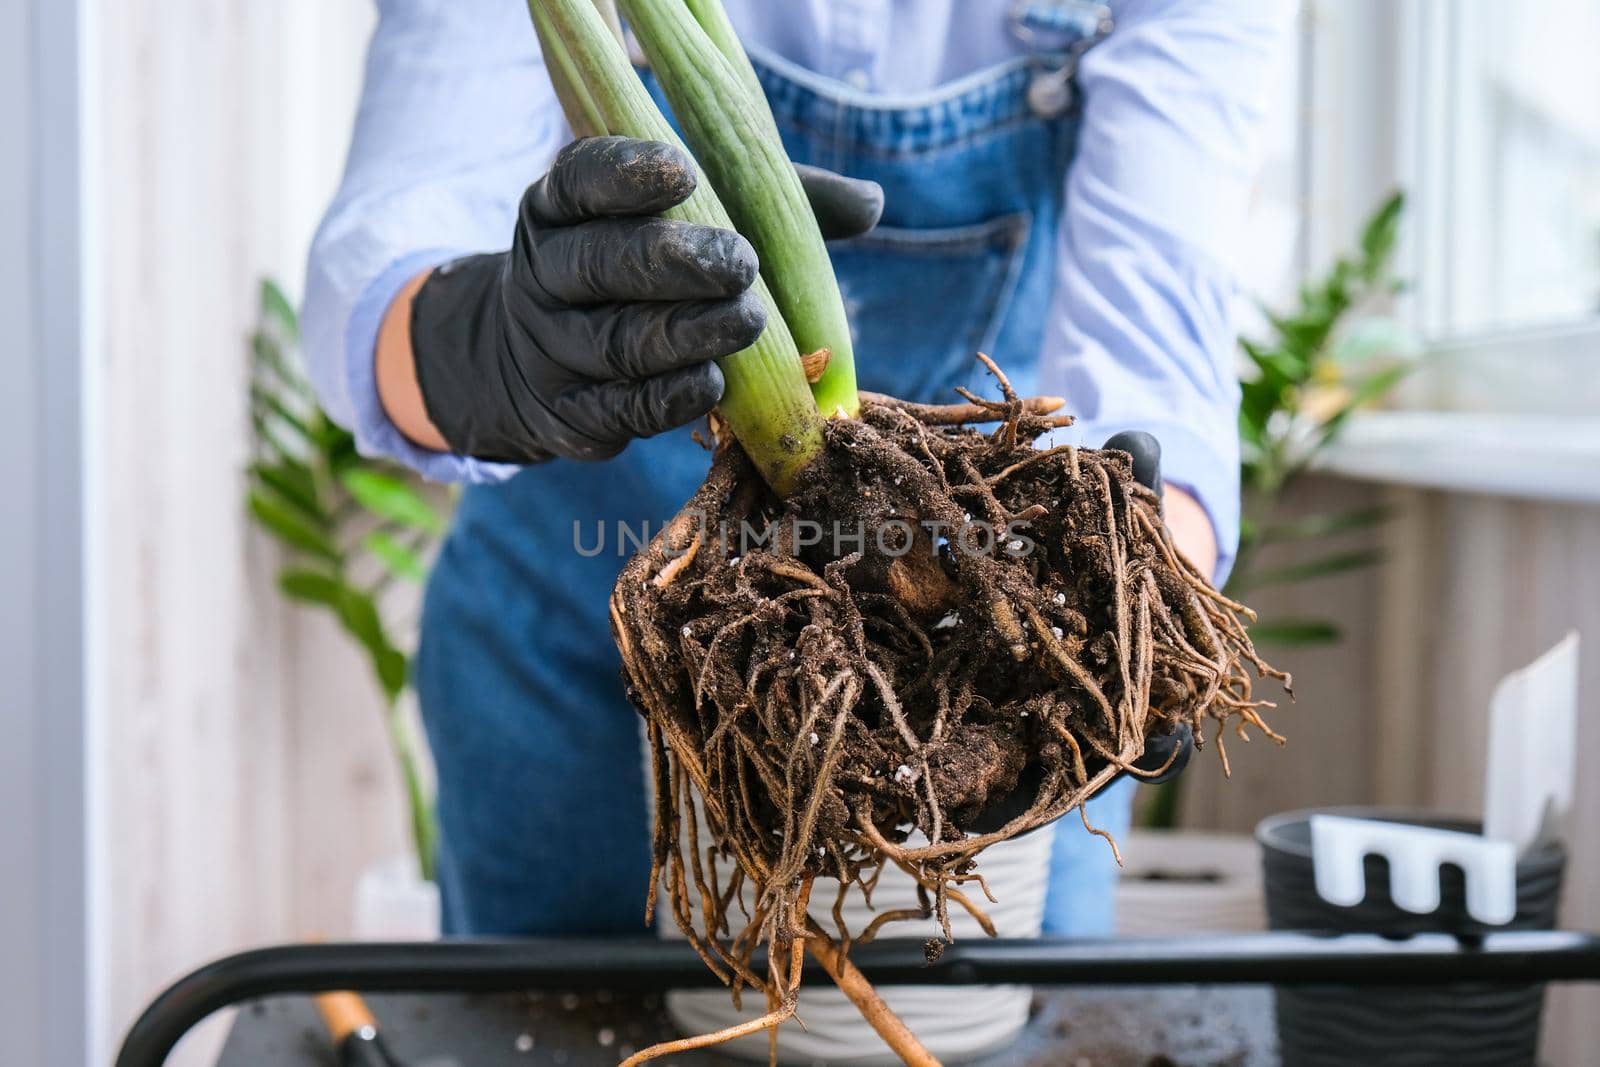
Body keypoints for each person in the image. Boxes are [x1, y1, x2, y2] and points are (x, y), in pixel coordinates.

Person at [304, 0, 1292, 937]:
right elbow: (398, 227)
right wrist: (478, 342)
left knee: (1002, 1023)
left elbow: (1156, 313)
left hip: (998, 655)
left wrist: (1135, 609)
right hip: (576, 649)